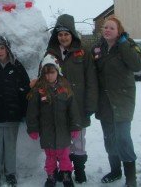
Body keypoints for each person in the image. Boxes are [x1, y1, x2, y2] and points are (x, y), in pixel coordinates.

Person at [91, 16, 141, 187]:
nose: (107, 30)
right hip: (105, 101)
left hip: (122, 99)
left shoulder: (128, 45)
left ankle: (131, 178)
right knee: (109, 138)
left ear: (118, 31)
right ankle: (115, 171)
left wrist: (122, 43)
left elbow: (137, 66)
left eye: (111, 28)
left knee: (123, 138)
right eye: (105, 27)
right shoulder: (97, 48)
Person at [46, 14, 98, 183]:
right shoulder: (51, 54)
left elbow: (91, 80)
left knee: (78, 140)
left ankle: (80, 169)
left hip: (79, 104)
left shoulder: (83, 53)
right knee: (63, 140)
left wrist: (90, 104)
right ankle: (64, 169)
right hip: (58, 106)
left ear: (72, 34)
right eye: (60, 34)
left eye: (66, 34)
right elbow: (45, 79)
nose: (63, 38)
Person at [26, 54, 82, 187]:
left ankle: (66, 175)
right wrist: (33, 129)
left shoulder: (65, 89)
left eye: (52, 72)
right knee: (50, 157)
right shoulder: (38, 91)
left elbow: (73, 110)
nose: (49, 76)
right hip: (47, 131)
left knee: (64, 156)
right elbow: (32, 112)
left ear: (57, 72)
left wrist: (75, 126)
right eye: (46, 73)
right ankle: (51, 176)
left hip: (63, 131)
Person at [0, 35, 30, 187]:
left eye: (2, 48)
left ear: (8, 49)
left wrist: (23, 112)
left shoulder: (17, 66)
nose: (0, 52)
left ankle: (10, 174)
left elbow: (25, 90)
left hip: (12, 115)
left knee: (10, 148)